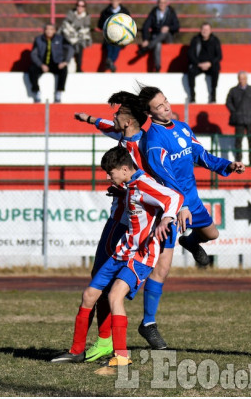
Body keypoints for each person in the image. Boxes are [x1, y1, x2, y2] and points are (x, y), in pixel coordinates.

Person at [51, 146, 182, 367]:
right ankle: (76, 351)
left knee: (114, 297)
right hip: (123, 251)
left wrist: (166, 219)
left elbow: (175, 196)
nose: (107, 176)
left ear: (124, 169)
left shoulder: (144, 184)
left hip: (141, 255)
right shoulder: (130, 183)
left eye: (110, 172)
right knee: (89, 295)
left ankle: (121, 357)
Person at [138, 85, 245, 330]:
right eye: (159, 106)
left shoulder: (183, 127)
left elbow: (201, 155)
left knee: (212, 234)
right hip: (170, 207)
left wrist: (229, 166)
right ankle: (148, 322)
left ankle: (190, 241)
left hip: (191, 201)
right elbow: (164, 177)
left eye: (165, 101)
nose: (166, 107)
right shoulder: (154, 140)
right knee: (162, 269)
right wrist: (181, 205)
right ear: (150, 113)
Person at [72, 91, 149, 362]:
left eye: (117, 114)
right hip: (117, 219)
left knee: (102, 284)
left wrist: (125, 192)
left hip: (125, 224)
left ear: (127, 121)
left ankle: (106, 342)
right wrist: (90, 119)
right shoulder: (122, 137)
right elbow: (107, 125)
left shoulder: (140, 148)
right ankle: (99, 343)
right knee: (98, 282)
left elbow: (145, 183)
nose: (112, 117)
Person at [28, 24, 74, 103]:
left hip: (57, 64)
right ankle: (37, 92)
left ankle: (59, 92)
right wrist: (40, 64)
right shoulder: (38, 39)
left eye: (51, 29)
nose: (49, 31)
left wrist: (65, 62)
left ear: (55, 31)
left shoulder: (60, 39)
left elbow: (70, 49)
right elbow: (33, 54)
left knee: (64, 70)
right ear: (44, 30)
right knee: (32, 69)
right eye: (47, 29)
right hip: (43, 64)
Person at [226, 71, 251, 165]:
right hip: (239, 120)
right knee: (238, 140)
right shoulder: (233, 90)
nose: (242, 80)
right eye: (240, 79)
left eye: (243, 78)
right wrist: (234, 112)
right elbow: (228, 102)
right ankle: (239, 161)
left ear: (246, 79)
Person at [138, 0, 180, 72]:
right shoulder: (153, 12)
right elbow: (145, 26)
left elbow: (177, 26)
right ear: (158, 3)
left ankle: (147, 48)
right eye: (160, 2)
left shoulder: (171, 12)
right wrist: (146, 39)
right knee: (157, 44)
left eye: (164, 2)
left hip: (168, 37)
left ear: (166, 3)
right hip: (156, 37)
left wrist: (168, 28)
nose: (162, 4)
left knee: (164, 32)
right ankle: (157, 67)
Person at [187, 23, 222, 103]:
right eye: (203, 29)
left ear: (210, 31)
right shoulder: (195, 39)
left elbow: (219, 56)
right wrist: (198, 64)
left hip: (210, 65)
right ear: (200, 30)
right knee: (190, 71)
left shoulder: (215, 40)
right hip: (198, 65)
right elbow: (190, 54)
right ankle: (192, 97)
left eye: (207, 29)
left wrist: (210, 63)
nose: (205, 31)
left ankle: (213, 97)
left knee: (216, 70)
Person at [97, 0, 131, 73]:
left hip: (121, 37)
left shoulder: (125, 11)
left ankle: (110, 60)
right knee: (110, 42)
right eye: (113, 0)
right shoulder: (105, 12)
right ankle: (111, 62)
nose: (114, 2)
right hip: (108, 36)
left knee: (116, 43)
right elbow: (100, 25)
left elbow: (129, 24)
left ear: (120, 1)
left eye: (116, 0)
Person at [58, 0, 92, 73]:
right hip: (67, 37)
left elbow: (85, 30)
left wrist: (77, 37)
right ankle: (63, 67)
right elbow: (65, 27)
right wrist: (73, 37)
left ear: (85, 7)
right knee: (69, 46)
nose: (80, 7)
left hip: (79, 39)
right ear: (76, 6)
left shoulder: (87, 17)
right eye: (78, 5)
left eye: (82, 6)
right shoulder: (70, 14)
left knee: (79, 45)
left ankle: (79, 67)